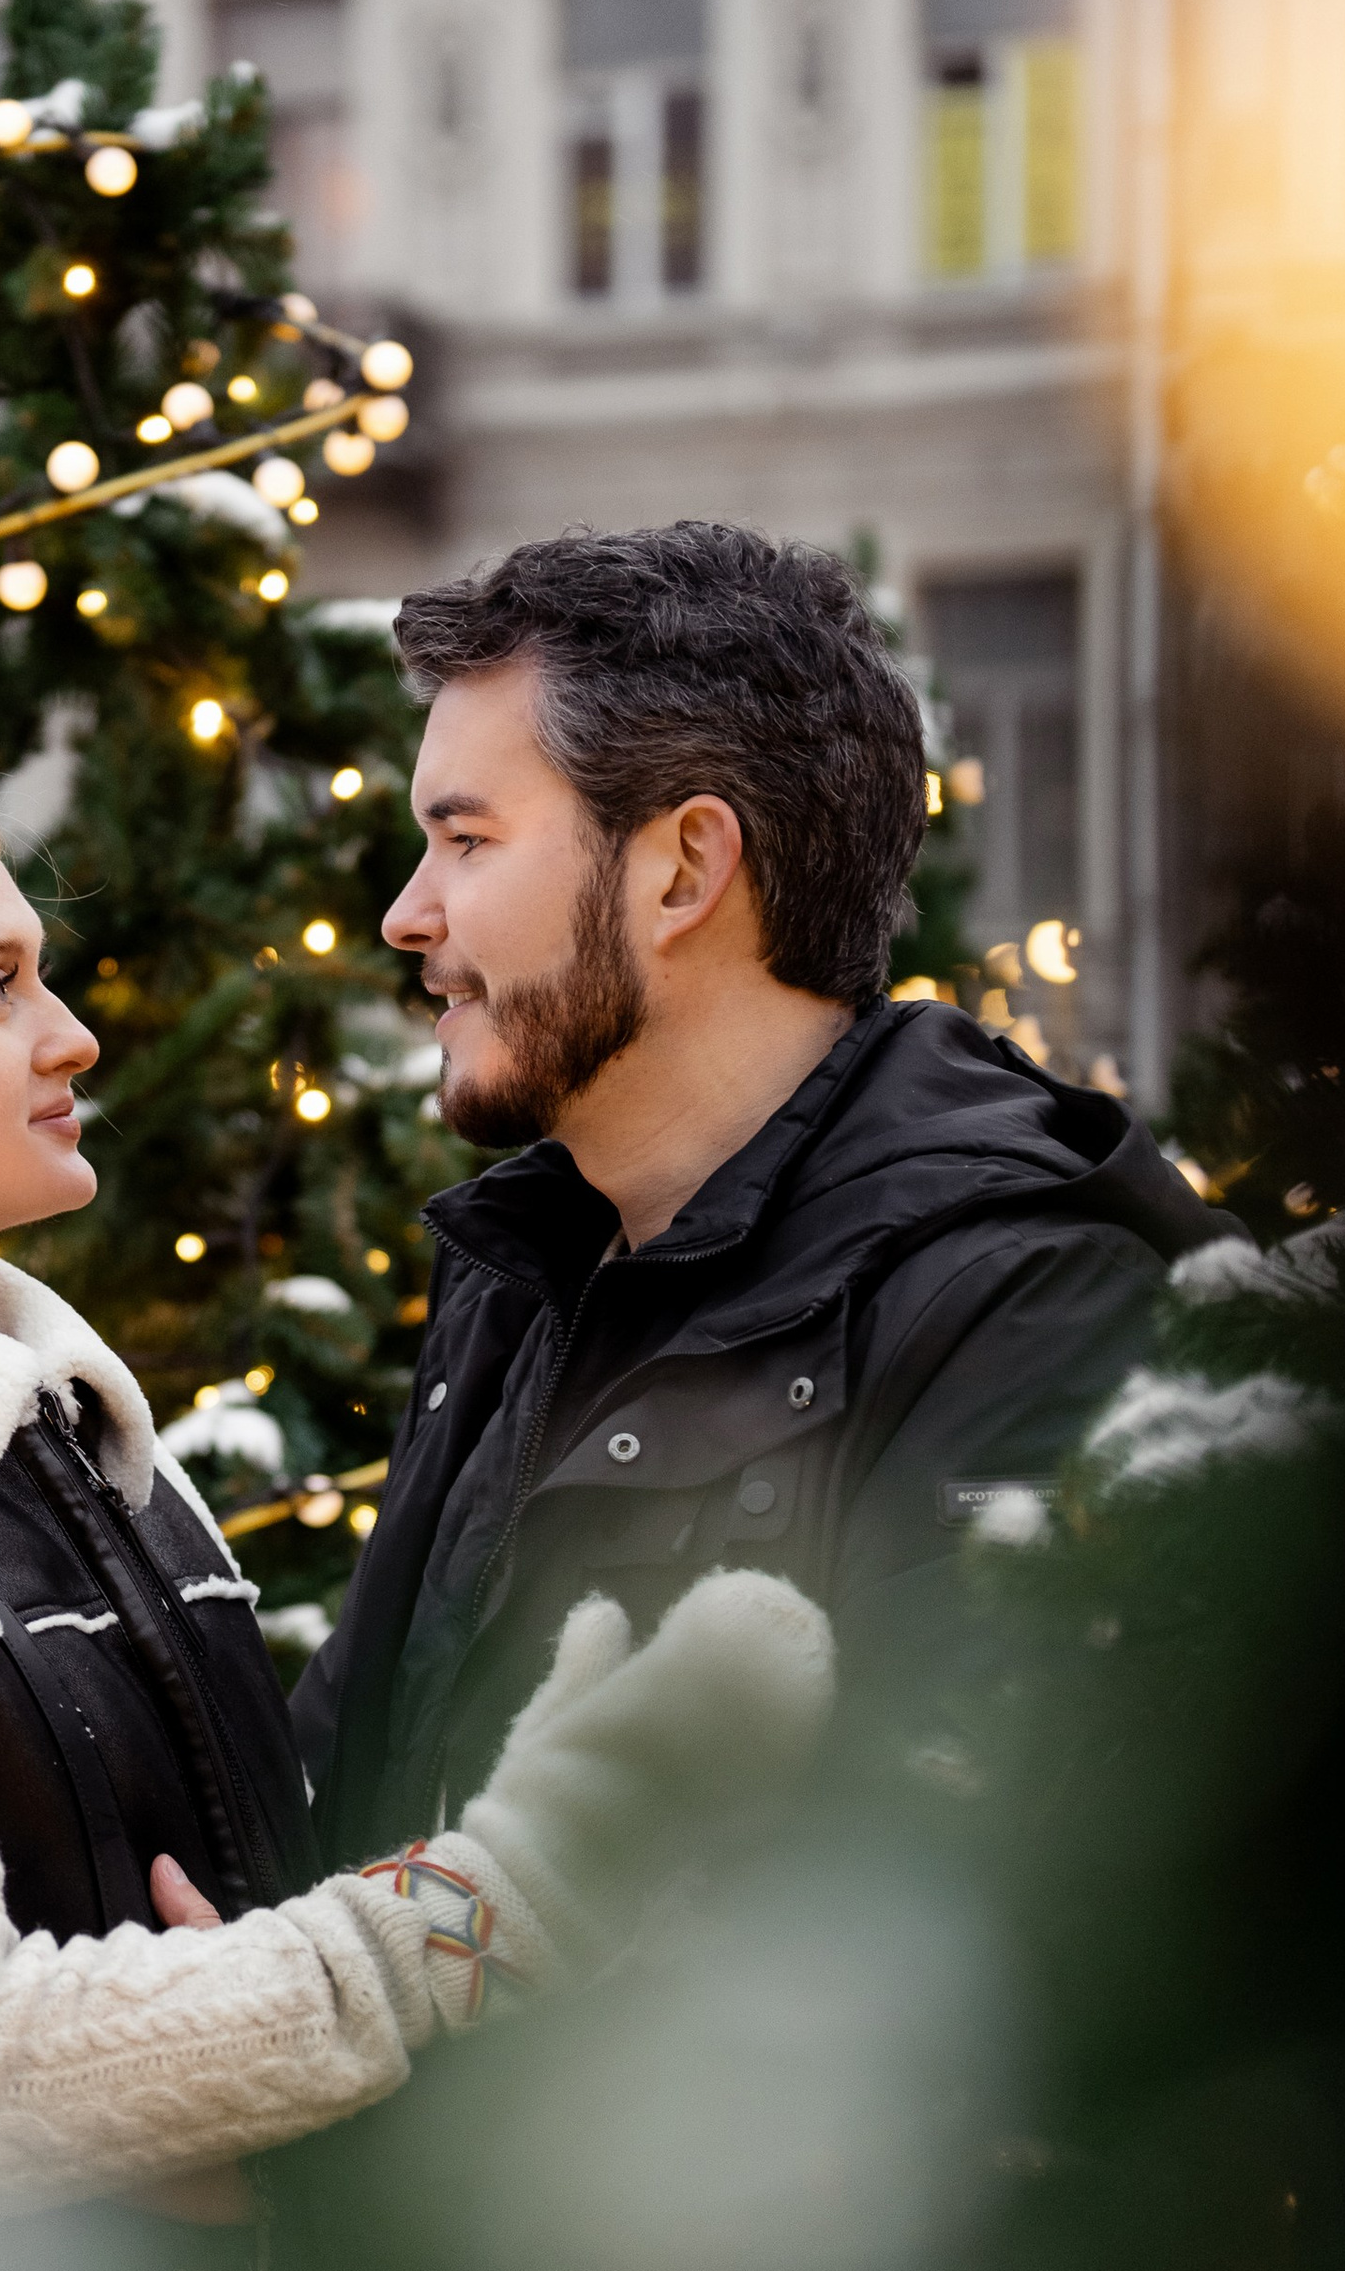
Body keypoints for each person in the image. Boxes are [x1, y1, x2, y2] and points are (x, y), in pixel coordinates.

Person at [0, 766, 828, 2244]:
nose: (73, 1033)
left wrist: (245, 2102)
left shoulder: (75, 1442)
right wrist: (495, 1902)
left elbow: (224, 1958)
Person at [295, 521, 1233, 1866]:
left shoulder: (1025, 1300)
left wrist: (382, 1978)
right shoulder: (525, 1265)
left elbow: (937, 1915)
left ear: (683, 868)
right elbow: (363, 1775)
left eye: (466, 841)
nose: (406, 914)